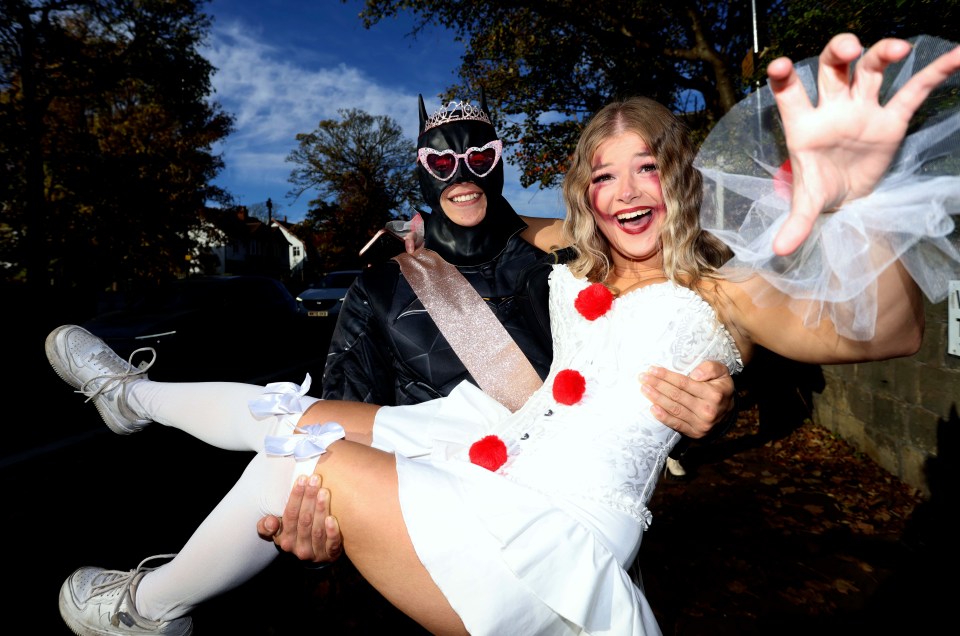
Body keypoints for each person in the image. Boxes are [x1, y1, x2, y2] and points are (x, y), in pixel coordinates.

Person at [49, 33, 960, 636]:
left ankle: (147, 605)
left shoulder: (725, 285)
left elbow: (884, 331)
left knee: (309, 452)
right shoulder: (575, 254)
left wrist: (852, 194)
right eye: (603, 176)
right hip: (489, 453)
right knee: (302, 415)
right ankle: (131, 398)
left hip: (551, 531)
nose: (627, 190)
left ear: (679, 177)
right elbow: (490, 221)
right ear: (585, 194)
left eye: (648, 166)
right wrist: (420, 228)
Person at [261, 87, 737, 558]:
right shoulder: (379, 291)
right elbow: (344, 435)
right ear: (422, 172)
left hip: (563, 531)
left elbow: (647, 364)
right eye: (442, 163)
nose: (463, 173)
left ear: (501, 163)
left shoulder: (570, 267)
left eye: (480, 157)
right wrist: (326, 522)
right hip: (429, 541)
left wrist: (702, 409)